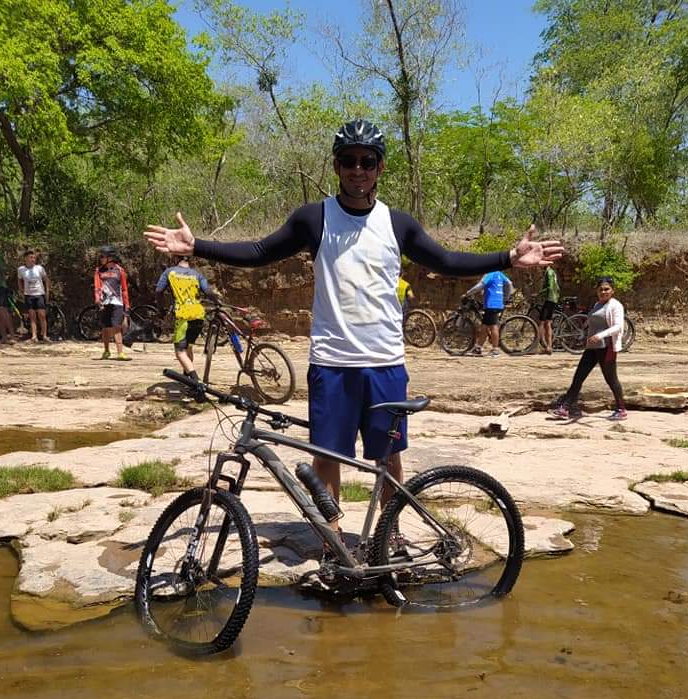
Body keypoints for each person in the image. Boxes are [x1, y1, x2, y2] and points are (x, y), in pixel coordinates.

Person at [144, 118, 562, 536]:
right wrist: (196, 247)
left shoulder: (397, 224)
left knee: (388, 458)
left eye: (367, 161)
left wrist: (508, 258)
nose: (357, 170)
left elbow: (447, 260)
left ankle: (389, 537)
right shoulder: (314, 219)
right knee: (327, 456)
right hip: (332, 363)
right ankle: (333, 544)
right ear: (336, 166)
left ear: (380, 168)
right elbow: (258, 251)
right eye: (349, 161)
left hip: (384, 363)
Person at [553, 276, 627, 421]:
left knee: (611, 379)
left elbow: (618, 327)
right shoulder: (597, 304)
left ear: (613, 291)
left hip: (606, 348)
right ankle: (566, 408)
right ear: (597, 291)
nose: (603, 292)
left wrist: (599, 336)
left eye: (607, 289)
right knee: (578, 376)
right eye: (601, 289)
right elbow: (593, 320)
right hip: (592, 347)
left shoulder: (615, 305)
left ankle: (621, 409)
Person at [155, 256, 213, 379]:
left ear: (175, 258)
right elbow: (208, 292)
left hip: (183, 316)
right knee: (188, 347)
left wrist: (160, 309)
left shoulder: (169, 272)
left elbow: (159, 291)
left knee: (180, 352)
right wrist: (218, 303)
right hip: (199, 314)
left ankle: (196, 381)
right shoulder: (197, 274)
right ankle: (187, 378)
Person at [94, 245, 131, 360]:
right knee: (105, 327)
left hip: (117, 302)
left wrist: (127, 305)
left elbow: (124, 289)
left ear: (110, 257)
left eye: (103, 256)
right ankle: (106, 351)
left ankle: (120, 352)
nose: (101, 259)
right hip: (104, 303)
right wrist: (97, 298)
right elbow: (97, 286)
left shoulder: (120, 270)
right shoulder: (99, 271)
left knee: (116, 327)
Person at [465, 270, 514, 357]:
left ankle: (495, 350)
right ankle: (478, 348)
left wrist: (468, 293)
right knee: (484, 326)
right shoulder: (500, 274)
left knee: (493, 326)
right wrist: (506, 297)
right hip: (496, 303)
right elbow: (509, 283)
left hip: (492, 304)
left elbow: (480, 285)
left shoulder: (490, 274)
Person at [18, 250, 51, 342]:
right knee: (32, 316)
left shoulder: (39, 268)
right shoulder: (21, 269)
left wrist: (47, 292)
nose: (33, 259)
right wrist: (21, 290)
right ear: (25, 258)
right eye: (31, 257)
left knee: (42, 315)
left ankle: (44, 335)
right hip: (28, 295)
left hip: (39, 294)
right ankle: (34, 336)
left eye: (34, 258)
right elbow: (19, 280)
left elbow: (46, 280)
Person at [537, 264, 560, 354]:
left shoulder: (549, 273)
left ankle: (537, 345)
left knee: (542, 322)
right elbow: (557, 287)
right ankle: (549, 346)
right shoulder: (552, 272)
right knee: (547, 323)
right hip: (553, 299)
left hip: (550, 299)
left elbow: (550, 287)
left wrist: (540, 293)